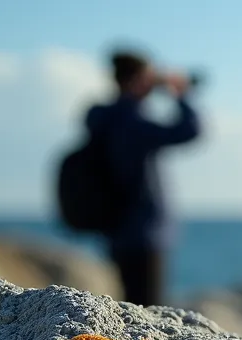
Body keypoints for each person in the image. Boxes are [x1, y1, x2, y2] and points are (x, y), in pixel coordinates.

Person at [83, 49, 202, 306]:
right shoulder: (131, 121)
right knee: (147, 308)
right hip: (144, 230)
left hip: (115, 226)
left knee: (131, 300)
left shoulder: (104, 117)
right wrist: (181, 95)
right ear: (137, 79)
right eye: (150, 76)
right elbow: (189, 131)